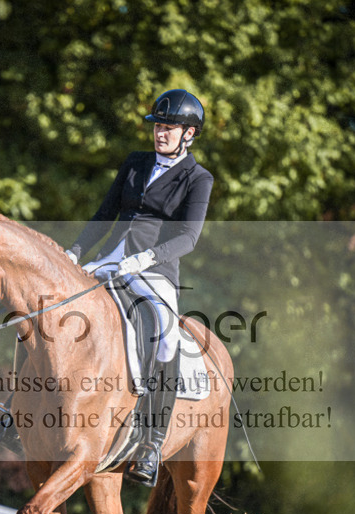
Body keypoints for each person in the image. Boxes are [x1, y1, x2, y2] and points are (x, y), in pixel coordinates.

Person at [65, 89, 213, 487]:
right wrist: (75, 251)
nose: (160, 134)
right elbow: (105, 214)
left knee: (165, 337)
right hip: (109, 260)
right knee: (53, 306)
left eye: (169, 128)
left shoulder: (198, 178)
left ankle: (152, 441)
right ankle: (11, 409)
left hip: (155, 270)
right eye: (158, 127)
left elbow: (189, 237)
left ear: (189, 134)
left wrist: (148, 258)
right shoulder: (135, 163)